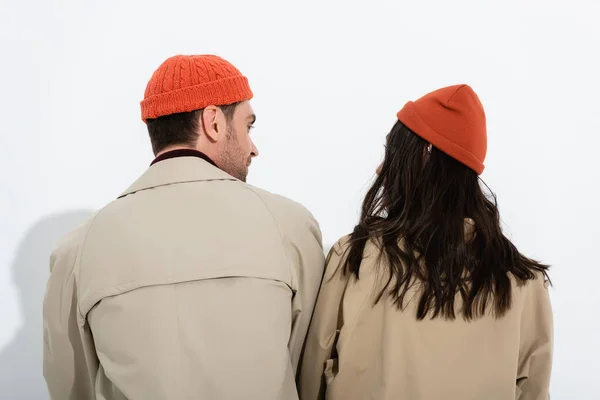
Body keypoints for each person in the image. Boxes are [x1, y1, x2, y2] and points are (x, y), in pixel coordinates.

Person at [42, 54, 326, 400]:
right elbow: (307, 371)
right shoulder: (290, 226)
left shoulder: (78, 248)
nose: (254, 148)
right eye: (248, 125)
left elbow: (72, 388)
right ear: (214, 122)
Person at [298, 84, 553, 400]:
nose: (381, 168)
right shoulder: (524, 282)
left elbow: (310, 381)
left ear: (424, 154)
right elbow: (533, 392)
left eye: (393, 152)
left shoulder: (356, 256)